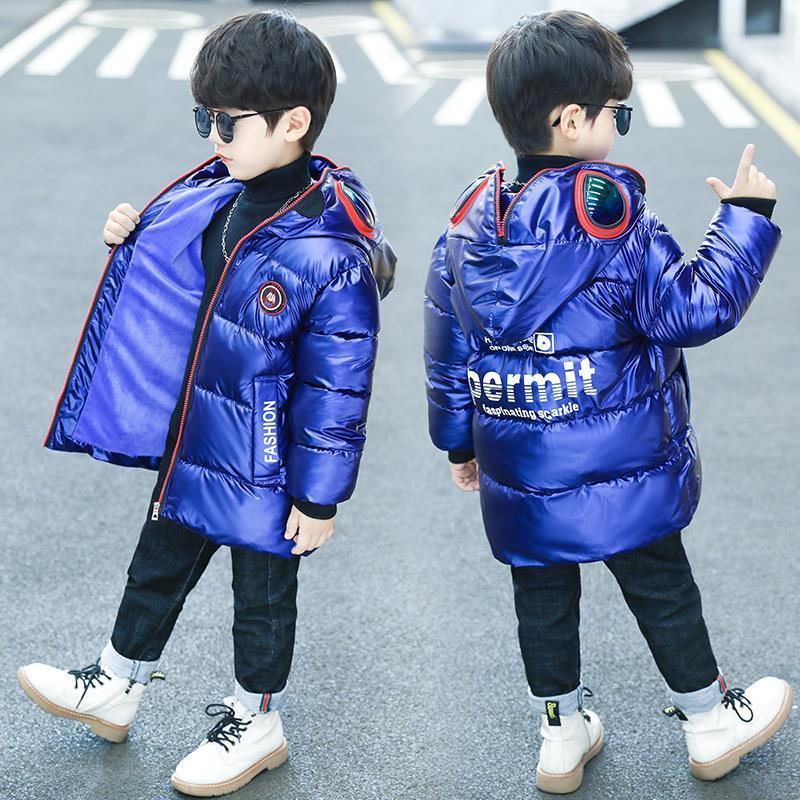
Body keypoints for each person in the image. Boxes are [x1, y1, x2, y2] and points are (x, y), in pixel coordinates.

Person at [19, 10, 395, 797]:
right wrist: (131, 233)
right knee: (155, 564)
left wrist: (320, 497)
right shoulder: (223, 193)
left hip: (268, 462)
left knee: (261, 597)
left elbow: (340, 385)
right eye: (205, 118)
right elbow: (177, 273)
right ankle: (116, 683)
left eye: (228, 121)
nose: (212, 136)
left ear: (294, 123)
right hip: (198, 439)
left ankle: (257, 722)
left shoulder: (326, 247)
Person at [423, 9, 790, 795]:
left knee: (541, 593)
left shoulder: (468, 219)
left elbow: (446, 343)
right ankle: (709, 721)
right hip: (620, 456)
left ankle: (561, 736)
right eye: (616, 113)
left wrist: (457, 441)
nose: (621, 127)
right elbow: (691, 310)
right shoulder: (613, 218)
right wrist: (744, 222)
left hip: (519, 453)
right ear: (570, 119)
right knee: (659, 582)